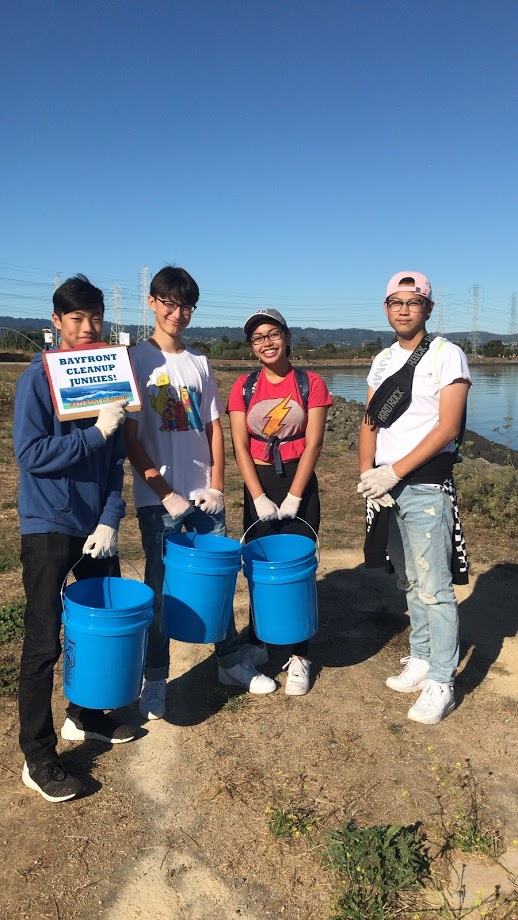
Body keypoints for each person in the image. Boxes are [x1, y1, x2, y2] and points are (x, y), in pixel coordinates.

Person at [125, 266, 275, 721]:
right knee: (161, 588)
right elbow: (130, 437)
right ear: (152, 302)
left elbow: (213, 429)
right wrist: (162, 489)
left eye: (186, 305)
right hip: (160, 501)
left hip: (203, 496)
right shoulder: (134, 360)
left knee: (219, 579)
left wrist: (216, 484)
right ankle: (155, 679)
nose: (178, 313)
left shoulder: (200, 363)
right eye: (169, 302)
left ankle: (230, 660)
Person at [14, 274, 132, 803]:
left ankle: (85, 714)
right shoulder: (36, 380)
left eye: (95, 317)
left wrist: (110, 517)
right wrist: (94, 433)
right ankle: (37, 757)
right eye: (77, 318)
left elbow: (115, 465)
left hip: (94, 528)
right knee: (43, 642)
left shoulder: (109, 375)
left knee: (98, 627)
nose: (87, 327)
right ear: (57, 322)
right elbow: (31, 454)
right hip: (47, 526)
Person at [357, 271, 471, 724]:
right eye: (395, 302)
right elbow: (370, 421)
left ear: (428, 307)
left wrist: (394, 471)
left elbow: (447, 427)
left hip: (424, 485)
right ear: (386, 308)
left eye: (413, 301)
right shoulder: (383, 359)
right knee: (407, 578)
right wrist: (368, 474)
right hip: (386, 487)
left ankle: (442, 679)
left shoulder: (448, 355)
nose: (403, 309)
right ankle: (422, 657)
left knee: (434, 585)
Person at [227, 308, 333, 695]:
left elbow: (314, 442)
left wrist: (294, 495)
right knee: (259, 566)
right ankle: (258, 640)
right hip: (259, 479)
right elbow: (239, 445)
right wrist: (257, 496)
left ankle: (300, 654)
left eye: (273, 334)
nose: (266, 343)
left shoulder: (311, 383)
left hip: (298, 482)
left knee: (298, 567)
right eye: (257, 338)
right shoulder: (243, 386)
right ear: (251, 346)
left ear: (287, 337)